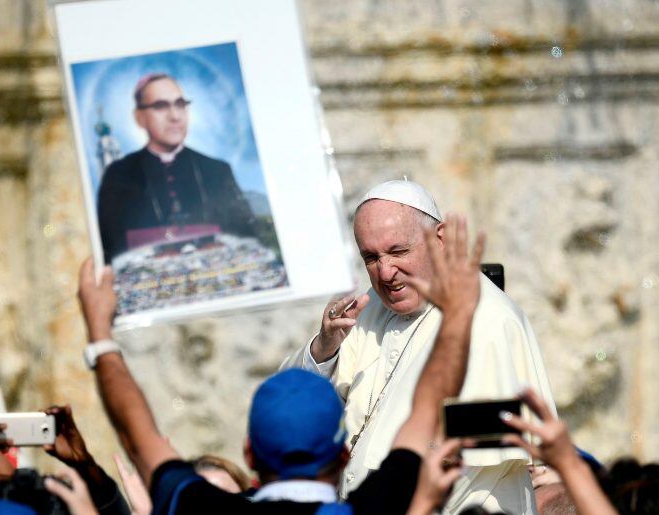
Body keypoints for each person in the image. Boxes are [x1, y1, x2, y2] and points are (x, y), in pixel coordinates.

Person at [75, 213, 485, 514]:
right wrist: (460, 315)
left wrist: (100, 335)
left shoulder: (199, 507)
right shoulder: (376, 507)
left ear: (249, 454)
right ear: (343, 454)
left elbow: (138, 436)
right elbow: (428, 411)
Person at [282, 179, 557, 513]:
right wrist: (323, 350)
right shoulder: (368, 311)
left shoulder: (488, 319)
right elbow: (286, 408)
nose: (385, 272)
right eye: (371, 257)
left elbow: (471, 465)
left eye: (398, 251)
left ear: (439, 239)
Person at [97, 73, 258, 263]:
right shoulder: (118, 176)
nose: (175, 116)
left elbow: (248, 238)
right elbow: (110, 248)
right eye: (160, 106)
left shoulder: (217, 170)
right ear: (139, 117)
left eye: (180, 104)